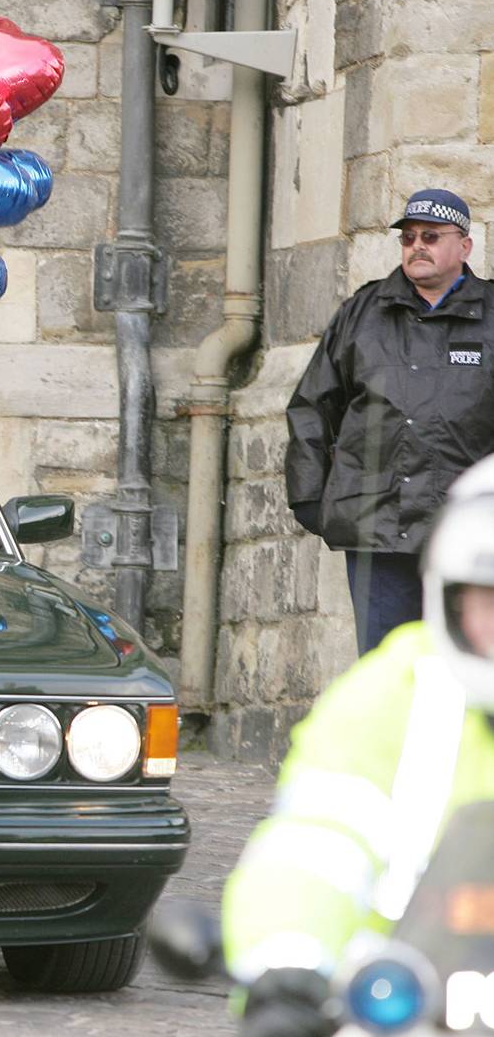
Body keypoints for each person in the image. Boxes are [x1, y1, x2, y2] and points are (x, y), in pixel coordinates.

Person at [220, 455, 494, 1037]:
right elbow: (317, 842)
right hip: (411, 1008)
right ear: (451, 594)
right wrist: (287, 963)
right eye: (490, 597)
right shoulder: (398, 691)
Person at [285, 188, 494, 655]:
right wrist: (308, 498)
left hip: (469, 530)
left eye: (431, 236)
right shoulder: (363, 312)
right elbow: (312, 407)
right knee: (384, 667)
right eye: (409, 237)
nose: (417, 245)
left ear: (464, 246)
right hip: (376, 526)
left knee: (464, 665)